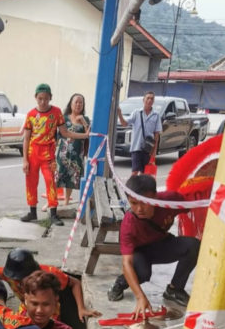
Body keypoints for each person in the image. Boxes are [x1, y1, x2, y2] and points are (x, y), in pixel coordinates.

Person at [107, 174, 201, 317]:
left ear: (155, 197)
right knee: (143, 273)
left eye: (144, 203)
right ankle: (121, 282)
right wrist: (140, 297)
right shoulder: (128, 225)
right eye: (133, 203)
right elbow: (127, 263)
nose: (139, 209)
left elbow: (197, 205)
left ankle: (175, 289)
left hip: (162, 244)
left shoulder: (170, 200)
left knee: (193, 246)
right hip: (140, 252)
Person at [0, 248, 101, 323]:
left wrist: (81, 309)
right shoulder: (8, 274)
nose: (19, 282)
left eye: (23, 278)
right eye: (17, 279)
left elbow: (75, 283)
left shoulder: (50, 274)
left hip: (50, 313)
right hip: (26, 310)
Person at [21, 83, 90, 226]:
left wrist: (84, 136)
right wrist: (25, 160)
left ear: (50, 98)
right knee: (31, 182)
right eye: (40, 98)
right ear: (35, 97)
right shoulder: (31, 115)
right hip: (33, 153)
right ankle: (32, 212)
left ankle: (53, 214)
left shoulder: (57, 113)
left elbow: (65, 132)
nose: (43, 102)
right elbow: (26, 138)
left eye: (46, 99)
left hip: (48, 154)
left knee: (51, 181)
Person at [56, 93, 91, 206]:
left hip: (77, 155)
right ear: (71, 104)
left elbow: (89, 135)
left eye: (81, 102)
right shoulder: (64, 118)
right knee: (57, 176)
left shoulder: (86, 119)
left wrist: (84, 122)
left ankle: (66, 201)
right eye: (76, 102)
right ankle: (51, 201)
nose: (78, 104)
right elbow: (59, 134)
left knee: (71, 178)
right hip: (63, 153)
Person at [117, 91, 162, 176]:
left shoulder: (156, 115)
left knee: (145, 174)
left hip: (148, 150)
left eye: (152, 98)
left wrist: (153, 153)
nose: (150, 100)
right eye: (148, 98)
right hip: (136, 148)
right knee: (135, 172)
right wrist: (119, 113)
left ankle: (140, 185)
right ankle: (130, 185)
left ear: (153, 101)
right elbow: (124, 123)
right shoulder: (136, 113)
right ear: (143, 100)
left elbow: (156, 135)